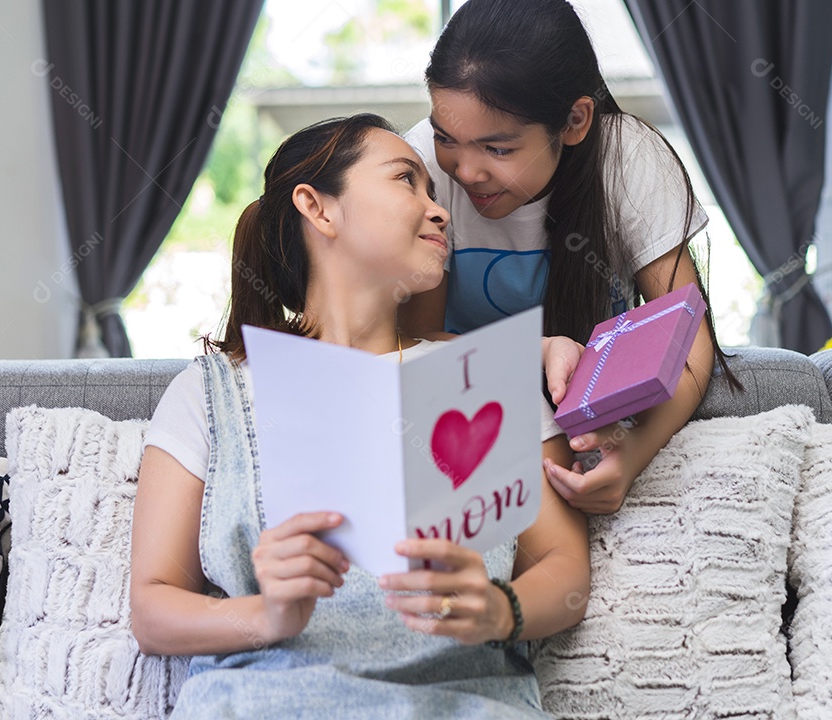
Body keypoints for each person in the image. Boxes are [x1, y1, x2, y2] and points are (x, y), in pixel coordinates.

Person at [130, 113, 589, 719]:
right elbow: (152, 608)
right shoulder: (210, 393)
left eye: (434, 191)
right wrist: (269, 614)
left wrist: (503, 610)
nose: (440, 210)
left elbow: (564, 570)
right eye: (407, 180)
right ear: (319, 208)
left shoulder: (481, 379)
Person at [400, 0, 740, 515]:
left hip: (593, 412)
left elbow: (688, 342)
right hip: (462, 405)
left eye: (498, 149)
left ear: (575, 120)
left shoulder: (628, 159)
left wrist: (631, 457)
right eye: (447, 138)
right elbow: (415, 347)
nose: (466, 172)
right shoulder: (421, 165)